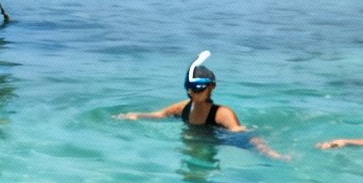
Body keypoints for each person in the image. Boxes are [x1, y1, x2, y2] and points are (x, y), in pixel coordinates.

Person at [119, 53, 289, 161]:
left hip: (222, 141)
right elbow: (160, 115)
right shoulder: (183, 108)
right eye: (192, 90)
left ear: (212, 87)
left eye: (201, 89)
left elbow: (243, 134)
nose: (196, 94)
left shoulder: (222, 113)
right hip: (194, 143)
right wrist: (135, 115)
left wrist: (270, 152)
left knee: (202, 169)